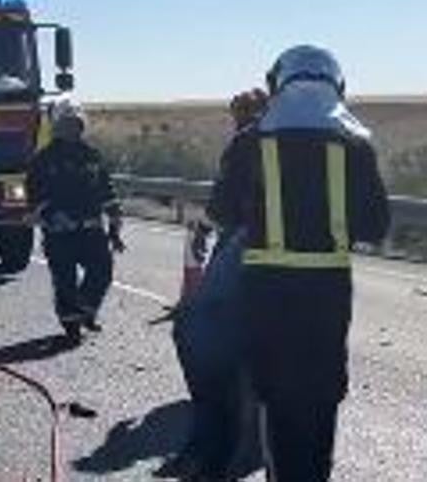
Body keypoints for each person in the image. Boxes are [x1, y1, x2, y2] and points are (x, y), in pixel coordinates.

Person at [209, 45, 389, 481]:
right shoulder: (356, 145)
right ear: (337, 86)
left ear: (278, 86)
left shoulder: (250, 142)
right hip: (327, 295)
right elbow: (375, 226)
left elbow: (222, 212)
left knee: (273, 393)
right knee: (321, 395)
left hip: (266, 292)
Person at [162, 88, 269, 481]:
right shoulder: (317, 140)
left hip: (249, 246)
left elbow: (222, 206)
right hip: (314, 267)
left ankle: (210, 449)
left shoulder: (246, 142)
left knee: (193, 331)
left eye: (238, 111)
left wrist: (206, 223)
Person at [26, 98, 124, 346]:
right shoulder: (43, 159)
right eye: (67, 124)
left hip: (91, 229)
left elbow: (106, 188)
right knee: (64, 281)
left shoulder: (92, 155)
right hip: (59, 233)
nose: (72, 128)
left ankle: (86, 310)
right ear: (57, 126)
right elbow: (34, 196)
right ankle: (71, 326)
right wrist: (49, 215)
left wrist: (114, 220)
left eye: (76, 124)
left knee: (102, 271)